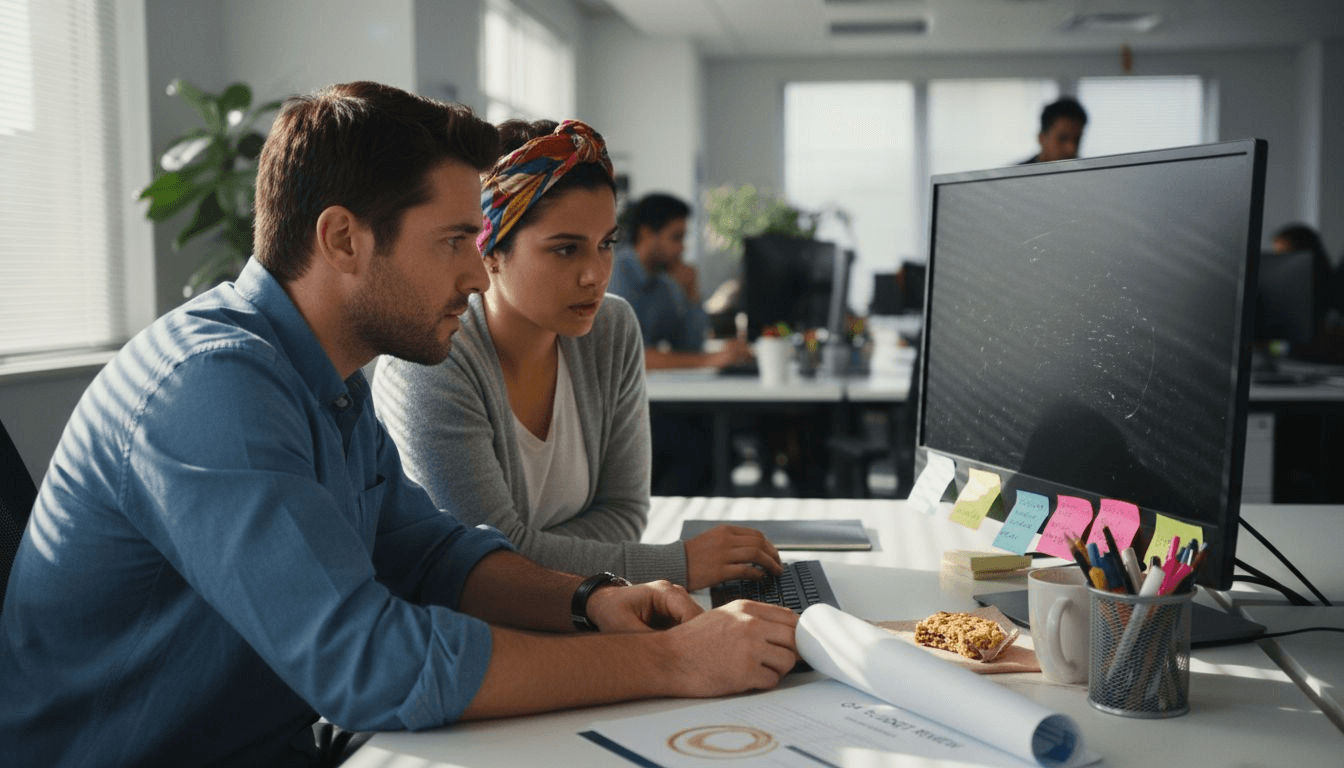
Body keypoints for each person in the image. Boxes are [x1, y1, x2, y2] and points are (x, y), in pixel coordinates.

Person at [0, 83, 800, 767]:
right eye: (455, 240)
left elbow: (428, 550)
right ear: (343, 239)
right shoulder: (211, 387)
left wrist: (587, 599)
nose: (472, 272)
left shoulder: (321, 379)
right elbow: (370, 663)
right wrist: (666, 660)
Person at [372, 119, 781, 591]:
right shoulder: (430, 361)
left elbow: (625, 514)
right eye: (565, 249)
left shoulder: (611, 327)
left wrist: (530, 548)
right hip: (468, 635)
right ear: (490, 252)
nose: (595, 275)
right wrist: (677, 565)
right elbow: (484, 564)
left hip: (577, 609)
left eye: (606, 244)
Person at [608, 193, 752, 369]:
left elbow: (689, 347)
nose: (682, 247)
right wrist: (709, 360)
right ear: (646, 234)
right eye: (676, 237)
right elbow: (628, 356)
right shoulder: (615, 275)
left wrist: (692, 292)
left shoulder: (664, 283)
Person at [1020, 97, 1088, 164]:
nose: (1071, 149)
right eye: (1062, 138)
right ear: (1041, 138)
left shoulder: (1088, 173)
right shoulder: (1016, 173)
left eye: (1077, 139)